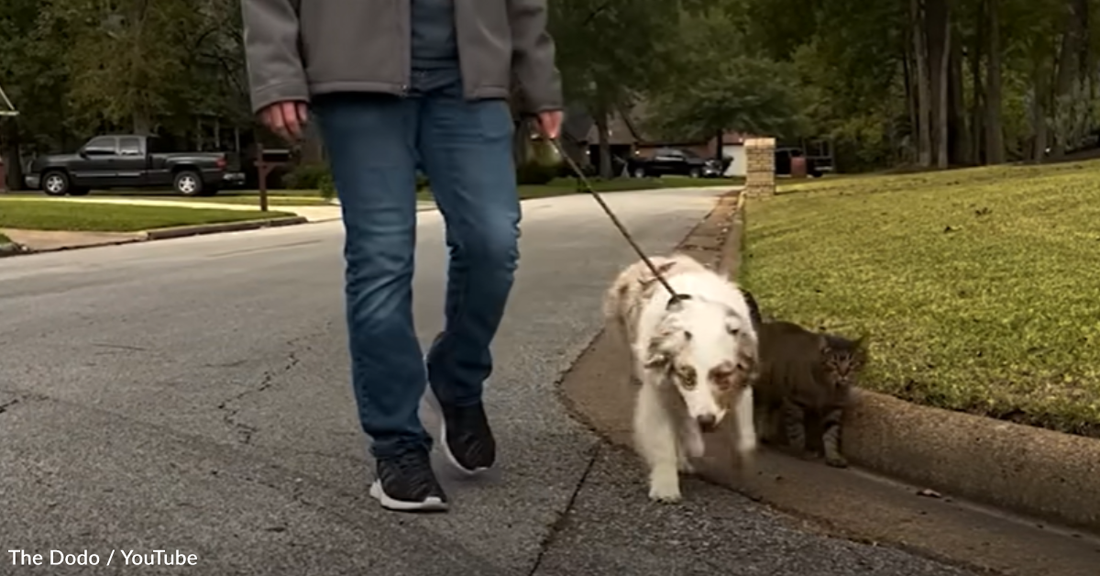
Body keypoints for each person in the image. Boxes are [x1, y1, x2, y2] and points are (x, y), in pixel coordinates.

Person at [241, 0, 563, 513]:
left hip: (469, 81)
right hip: (356, 78)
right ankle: (397, 444)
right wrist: (277, 74)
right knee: (382, 257)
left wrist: (539, 83)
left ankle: (457, 380)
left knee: (493, 241)